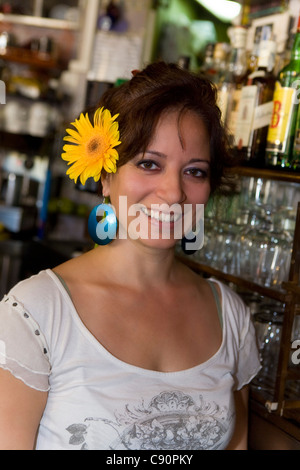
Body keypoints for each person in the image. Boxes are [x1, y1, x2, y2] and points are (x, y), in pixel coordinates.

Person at [0, 62, 260, 450]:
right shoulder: (37, 311)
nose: (173, 192)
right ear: (106, 174)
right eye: (149, 164)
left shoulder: (231, 316)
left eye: (195, 172)